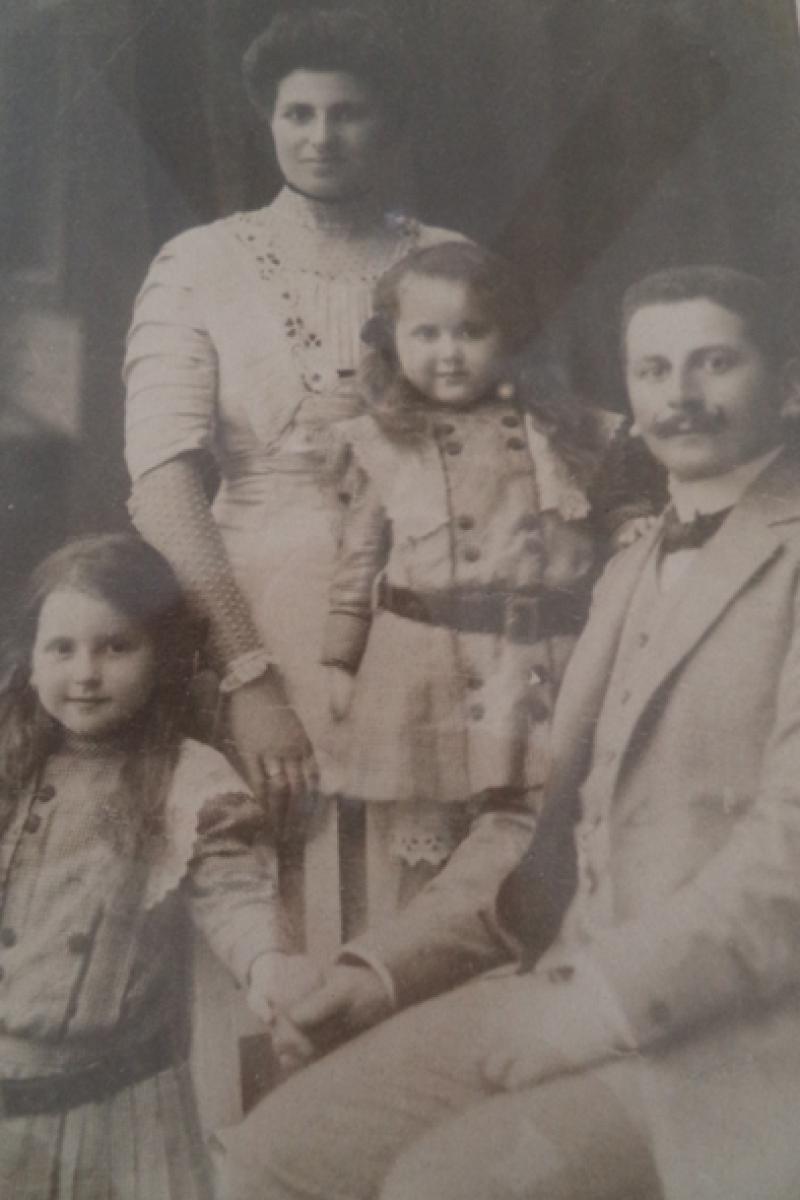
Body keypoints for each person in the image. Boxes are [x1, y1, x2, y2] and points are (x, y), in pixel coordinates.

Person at [214, 265, 800, 1200]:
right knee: (271, 1158)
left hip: (739, 1042)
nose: (680, 396)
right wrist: (382, 971)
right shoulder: (625, 566)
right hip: (562, 986)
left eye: (715, 363)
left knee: (442, 1188)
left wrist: (599, 1006)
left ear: (790, 382)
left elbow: (788, 865)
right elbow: (535, 822)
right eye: (653, 370)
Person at [123, 6, 462, 954]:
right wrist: (247, 673)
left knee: (413, 905)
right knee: (272, 892)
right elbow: (163, 482)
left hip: (424, 616)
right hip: (253, 609)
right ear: (267, 120)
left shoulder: (448, 260)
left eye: (348, 112)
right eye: (297, 113)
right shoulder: (201, 263)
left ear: (390, 123)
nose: (321, 136)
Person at [0, 533, 320, 1200]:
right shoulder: (11, 762)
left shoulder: (186, 778)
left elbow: (233, 889)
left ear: (163, 656)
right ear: (29, 661)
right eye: (62, 649)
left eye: (116, 647)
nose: (86, 673)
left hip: (118, 1114)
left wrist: (267, 963)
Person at [322, 240, 628, 921]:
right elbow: (357, 557)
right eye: (426, 335)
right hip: (423, 668)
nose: (449, 353)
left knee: (534, 841)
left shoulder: (561, 431)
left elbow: (614, 515)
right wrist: (341, 657)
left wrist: (631, 524)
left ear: (510, 338)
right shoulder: (384, 440)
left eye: (471, 332)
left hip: (536, 666)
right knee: (426, 850)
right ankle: (411, 967)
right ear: (394, 341)